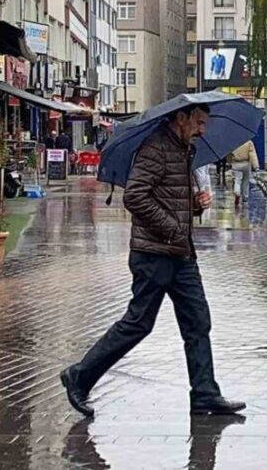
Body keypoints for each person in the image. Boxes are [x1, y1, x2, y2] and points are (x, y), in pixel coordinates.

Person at [60, 104, 246, 418]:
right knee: (138, 324)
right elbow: (135, 197)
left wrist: (195, 205)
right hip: (154, 255)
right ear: (182, 118)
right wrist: (172, 227)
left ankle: (204, 394)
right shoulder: (156, 149)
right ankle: (79, 375)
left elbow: (169, 198)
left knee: (198, 321)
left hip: (180, 253)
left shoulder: (183, 150)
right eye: (199, 122)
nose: (203, 130)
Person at [230, 139, 259, 208]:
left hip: (236, 163)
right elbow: (252, 155)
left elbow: (229, 154)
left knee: (237, 180)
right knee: (245, 182)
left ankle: (237, 192)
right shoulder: (248, 142)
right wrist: (255, 166)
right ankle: (245, 198)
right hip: (246, 163)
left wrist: (230, 162)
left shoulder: (233, 142)